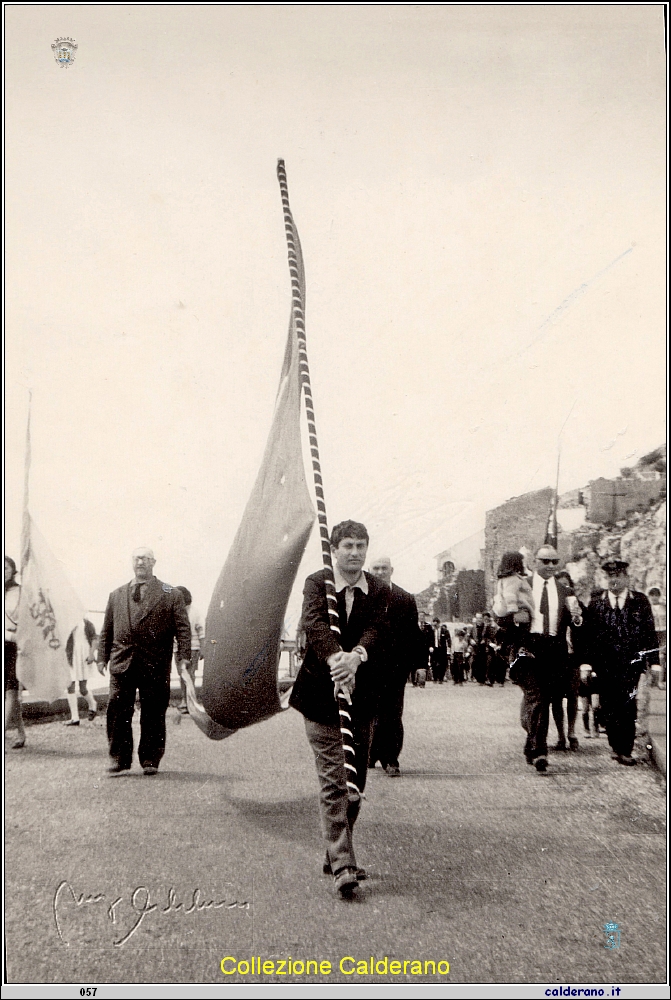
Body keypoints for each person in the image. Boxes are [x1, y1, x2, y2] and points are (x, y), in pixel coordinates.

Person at [289, 521, 387, 898]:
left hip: (362, 699)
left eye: (361, 545)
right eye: (347, 545)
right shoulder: (318, 584)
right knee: (334, 781)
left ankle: (334, 851)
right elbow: (315, 627)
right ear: (334, 549)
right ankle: (344, 864)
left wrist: (356, 658)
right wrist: (336, 660)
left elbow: (378, 629)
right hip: (319, 698)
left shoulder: (379, 590)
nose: (355, 552)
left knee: (356, 783)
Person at [98, 547, 192, 776]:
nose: (141, 562)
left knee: (153, 711)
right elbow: (107, 629)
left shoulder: (171, 592)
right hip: (122, 662)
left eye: (145, 558)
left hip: (155, 663)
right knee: (117, 709)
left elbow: (183, 629)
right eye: (137, 558)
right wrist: (101, 657)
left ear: (154, 562)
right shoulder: (116, 594)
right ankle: (119, 758)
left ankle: (151, 758)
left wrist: (184, 657)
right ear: (132, 562)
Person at [580, 558, 659, 765]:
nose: (613, 580)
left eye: (618, 576)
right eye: (610, 576)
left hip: (631, 664)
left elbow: (649, 634)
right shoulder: (597, 604)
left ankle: (625, 749)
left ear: (626, 578)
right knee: (609, 705)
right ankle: (615, 746)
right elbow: (588, 637)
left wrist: (655, 662)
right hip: (604, 665)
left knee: (627, 704)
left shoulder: (639, 601)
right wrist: (586, 664)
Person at [509, 545, 579, 773]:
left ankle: (535, 746)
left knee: (545, 699)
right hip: (528, 647)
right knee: (536, 697)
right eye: (545, 561)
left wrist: (579, 618)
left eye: (554, 562)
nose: (550, 566)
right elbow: (502, 616)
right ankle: (538, 748)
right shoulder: (521, 586)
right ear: (534, 562)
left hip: (554, 649)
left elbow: (576, 622)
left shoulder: (565, 591)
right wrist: (514, 623)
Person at [367, 555, 421, 777]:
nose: (380, 572)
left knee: (392, 713)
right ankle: (370, 754)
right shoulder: (361, 595)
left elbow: (414, 635)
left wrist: (420, 665)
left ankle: (391, 759)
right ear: (369, 570)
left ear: (392, 570)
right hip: (367, 666)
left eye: (384, 568)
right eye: (376, 568)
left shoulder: (405, 598)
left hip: (395, 667)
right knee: (369, 712)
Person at [173, 586, 205, 714]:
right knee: (182, 675)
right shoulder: (173, 612)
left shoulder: (195, 612)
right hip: (178, 649)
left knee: (190, 675)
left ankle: (191, 702)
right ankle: (184, 700)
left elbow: (201, 631)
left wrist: (203, 648)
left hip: (193, 648)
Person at [5, 556, 26, 750]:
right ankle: (21, 733)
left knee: (11, 689)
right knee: (9, 694)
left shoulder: (20, 592)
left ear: (13, 571)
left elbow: (27, 620)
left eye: (6, 568)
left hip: (14, 646)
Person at [63, 619, 99, 726]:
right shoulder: (67, 622)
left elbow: (94, 639)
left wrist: (92, 654)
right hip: (71, 655)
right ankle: (75, 718)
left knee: (83, 688)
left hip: (84, 654)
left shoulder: (87, 623)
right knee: (70, 685)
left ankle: (93, 704)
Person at [647, 587, 666, 688]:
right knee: (650, 657)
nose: (654, 597)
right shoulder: (647, 607)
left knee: (661, 657)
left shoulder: (665, 607)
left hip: (663, 634)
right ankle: (650, 680)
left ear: (659, 596)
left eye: (656, 595)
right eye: (652, 595)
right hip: (651, 634)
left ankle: (660, 681)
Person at [429, 617, 451, 684]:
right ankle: (435, 678)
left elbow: (448, 640)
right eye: (434, 625)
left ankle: (441, 678)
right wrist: (430, 646)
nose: (435, 626)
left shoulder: (444, 630)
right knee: (434, 664)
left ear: (439, 623)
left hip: (442, 649)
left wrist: (449, 648)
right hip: (434, 649)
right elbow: (429, 639)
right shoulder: (431, 631)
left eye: (436, 625)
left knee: (442, 664)